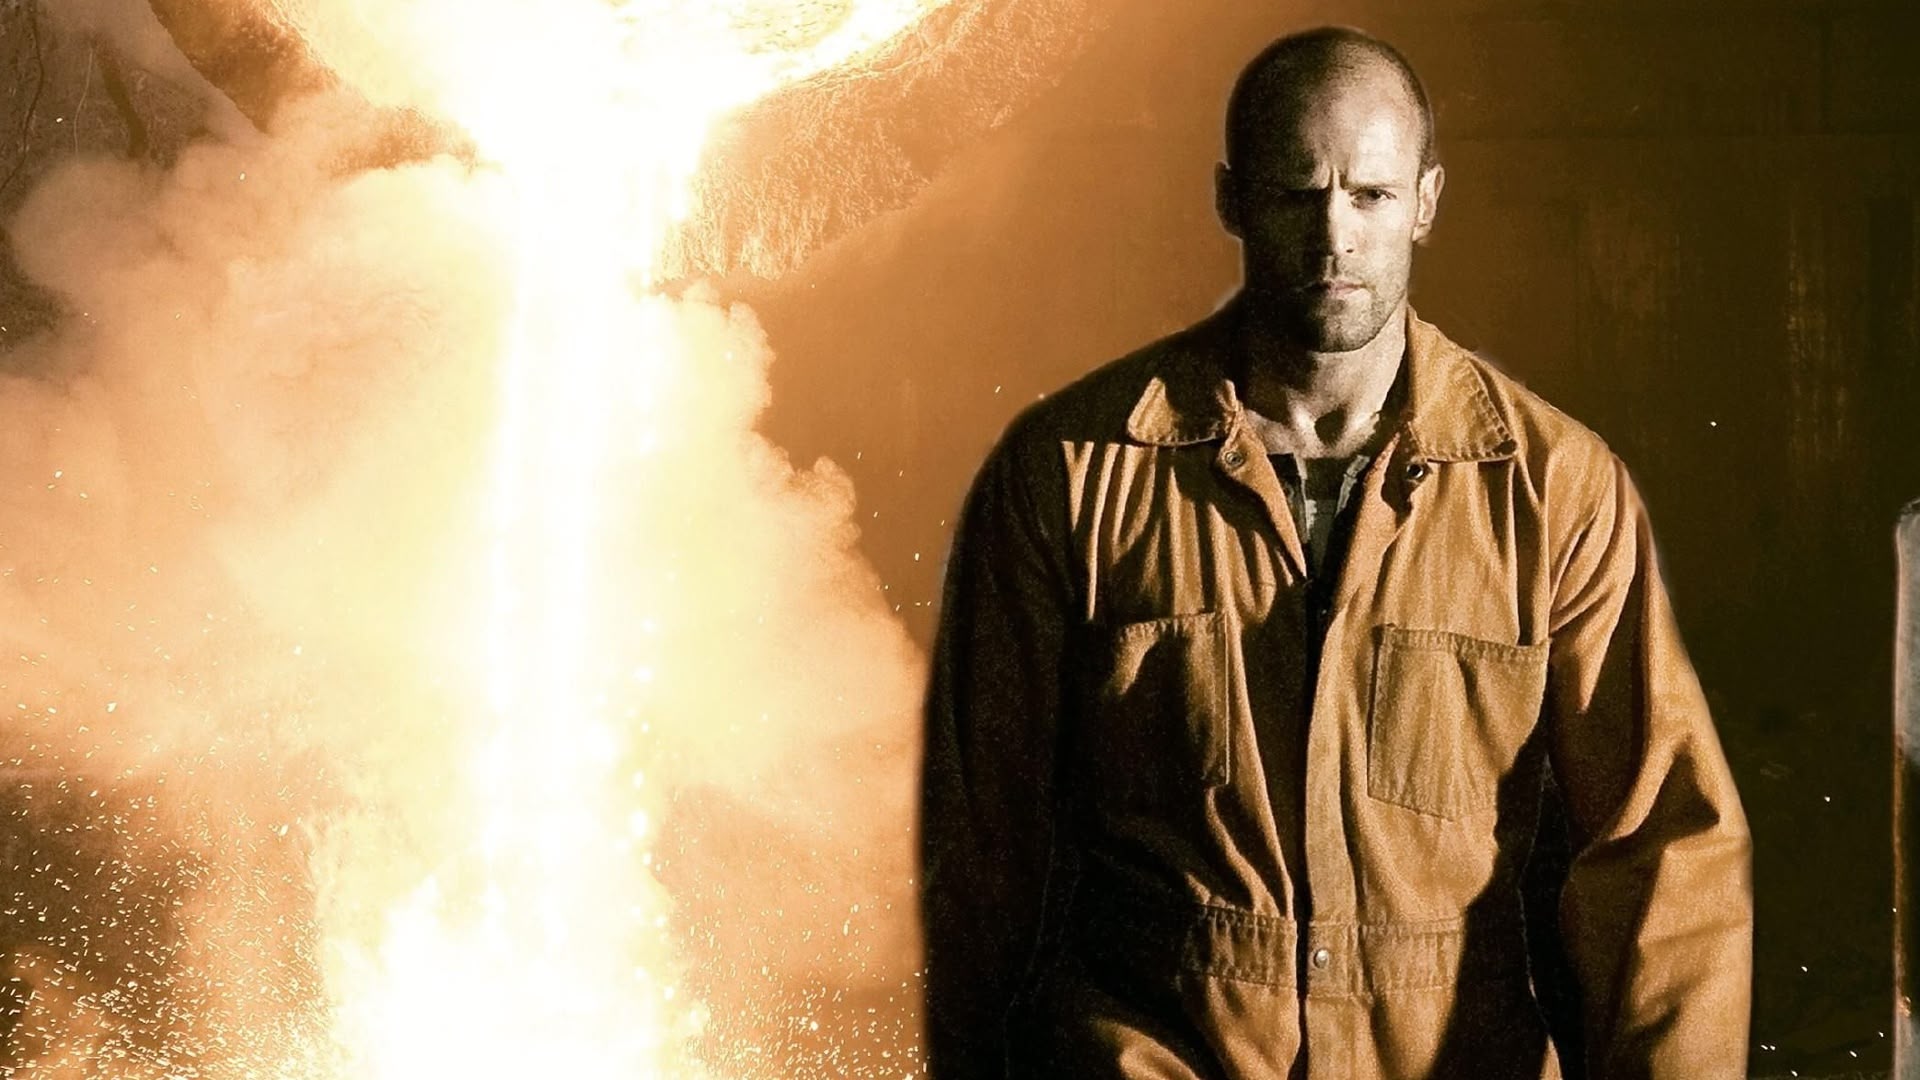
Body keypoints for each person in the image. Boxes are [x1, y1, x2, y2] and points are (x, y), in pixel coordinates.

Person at [919, 25, 1752, 1080]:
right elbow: (983, 852)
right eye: (1295, 195)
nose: (1334, 238)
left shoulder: (1554, 489)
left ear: (1427, 202)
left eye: (1370, 195)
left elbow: (1662, 851)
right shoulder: (1075, 473)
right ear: (1231, 200)